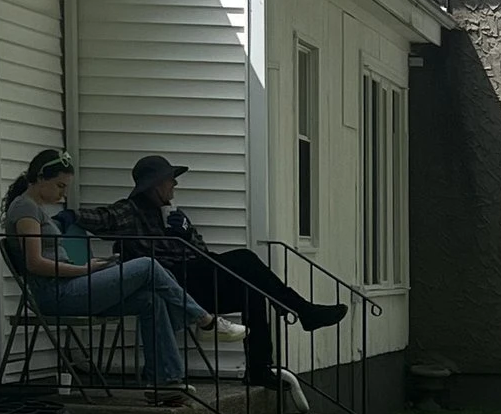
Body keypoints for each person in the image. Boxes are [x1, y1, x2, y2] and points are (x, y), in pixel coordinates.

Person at [89, 155, 346, 387]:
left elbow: (201, 251)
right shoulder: (129, 211)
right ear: (155, 184)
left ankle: (259, 369)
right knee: (244, 258)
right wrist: (63, 218)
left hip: (195, 279)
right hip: (169, 281)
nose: (174, 186)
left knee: (252, 291)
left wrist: (186, 234)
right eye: (170, 181)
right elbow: (99, 218)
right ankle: (301, 309)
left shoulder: (171, 213)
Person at [1, 148, 203, 399]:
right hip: (55, 294)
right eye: (60, 186)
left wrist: (93, 267)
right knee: (147, 266)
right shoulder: (25, 209)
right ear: (41, 179)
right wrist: (83, 270)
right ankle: (203, 319)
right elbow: (35, 263)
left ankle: (164, 382)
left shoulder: (36, 208)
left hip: (69, 286)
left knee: (152, 299)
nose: (63, 194)